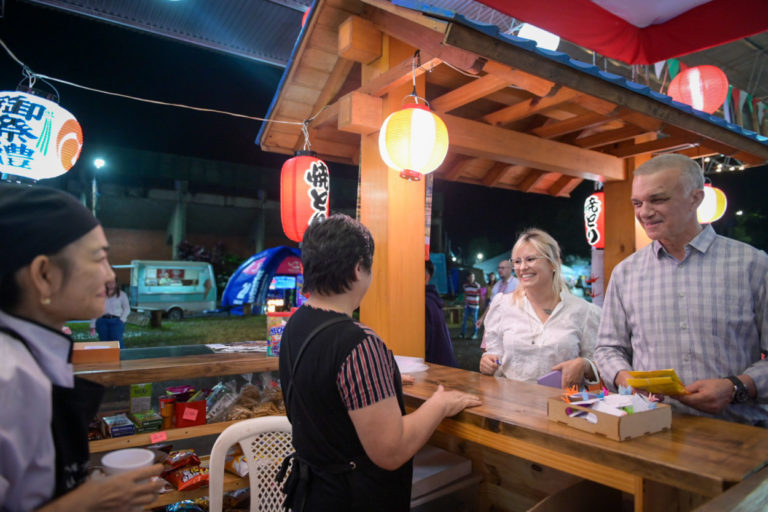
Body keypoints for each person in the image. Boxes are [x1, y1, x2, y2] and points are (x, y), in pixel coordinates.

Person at [277, 214, 480, 511]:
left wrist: (382, 379)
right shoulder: (359, 344)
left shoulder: (295, 324)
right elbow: (391, 450)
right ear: (359, 268)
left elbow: (324, 390)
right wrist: (440, 404)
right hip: (352, 499)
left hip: (311, 496)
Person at [0, 183, 163, 511]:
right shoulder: (7, 377)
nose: (110, 275)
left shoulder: (31, 353)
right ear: (44, 275)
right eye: (100, 258)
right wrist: (88, 501)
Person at [594, 154, 768, 425]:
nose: (644, 212)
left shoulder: (752, 265)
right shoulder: (625, 273)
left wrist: (737, 387)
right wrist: (623, 377)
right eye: (637, 203)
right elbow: (607, 348)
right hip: (650, 429)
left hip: (738, 434)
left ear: (695, 199)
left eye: (658, 199)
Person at [479, 229, 601, 388]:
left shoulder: (584, 311)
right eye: (517, 261)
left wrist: (585, 365)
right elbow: (494, 354)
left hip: (562, 407)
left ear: (553, 262)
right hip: (510, 406)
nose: (522, 267)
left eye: (530, 259)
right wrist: (487, 362)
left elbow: (601, 364)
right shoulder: (502, 305)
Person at [425, 260, 458, 367]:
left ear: (426, 277)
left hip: (438, 372)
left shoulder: (424, 303)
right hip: (443, 367)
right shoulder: (430, 299)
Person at [476, 258, 518, 334]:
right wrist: (482, 318)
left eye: (502, 268)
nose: (499, 270)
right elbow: (492, 304)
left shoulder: (517, 284)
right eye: (498, 268)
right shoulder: (497, 286)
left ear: (509, 269)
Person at [90, 274, 130, 347]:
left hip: (116, 321)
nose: (111, 284)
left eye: (113, 282)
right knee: (104, 344)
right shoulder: (99, 295)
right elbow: (95, 309)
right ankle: (107, 358)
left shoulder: (122, 294)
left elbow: (127, 308)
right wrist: (92, 325)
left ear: (116, 283)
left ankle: (121, 358)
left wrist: (122, 319)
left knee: (117, 343)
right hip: (102, 321)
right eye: (109, 282)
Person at [459, 272, 482, 339]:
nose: (472, 278)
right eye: (471, 277)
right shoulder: (465, 285)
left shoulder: (477, 285)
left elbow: (481, 295)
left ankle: (475, 334)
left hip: (475, 306)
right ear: (468, 278)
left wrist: (481, 304)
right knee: (464, 319)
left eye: (473, 277)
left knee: (474, 320)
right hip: (467, 305)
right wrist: (464, 303)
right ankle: (463, 333)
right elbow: (465, 294)